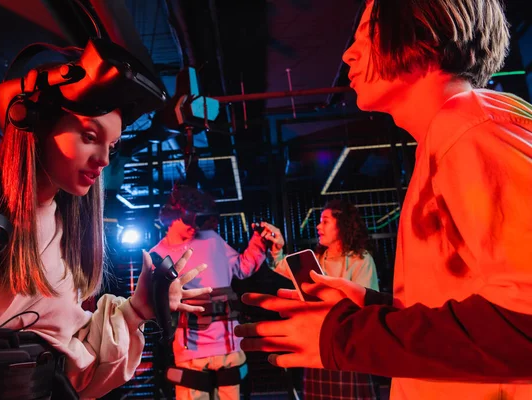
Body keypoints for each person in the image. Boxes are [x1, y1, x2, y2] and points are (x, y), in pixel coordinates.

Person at [234, 0, 532, 399]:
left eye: (366, 33)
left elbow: (525, 322)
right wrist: (376, 308)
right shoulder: (455, 131)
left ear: (421, 33)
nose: (348, 53)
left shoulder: (467, 126)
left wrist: (349, 335)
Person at [0, 39, 212, 400]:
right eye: (90, 136)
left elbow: (78, 371)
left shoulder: (69, 237)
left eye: (111, 146)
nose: (104, 159)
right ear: (33, 120)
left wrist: (138, 310)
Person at [150, 185, 285, 400]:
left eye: (197, 218)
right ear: (173, 216)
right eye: (189, 218)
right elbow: (152, 306)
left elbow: (241, 267)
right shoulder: (157, 255)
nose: (194, 225)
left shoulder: (211, 239)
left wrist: (259, 243)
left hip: (229, 347)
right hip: (191, 351)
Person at [270, 199, 378, 399]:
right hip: (317, 344)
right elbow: (282, 267)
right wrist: (277, 250)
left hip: (347, 346)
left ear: (342, 224)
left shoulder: (360, 260)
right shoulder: (316, 259)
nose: (318, 226)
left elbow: (367, 305)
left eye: (325, 221)